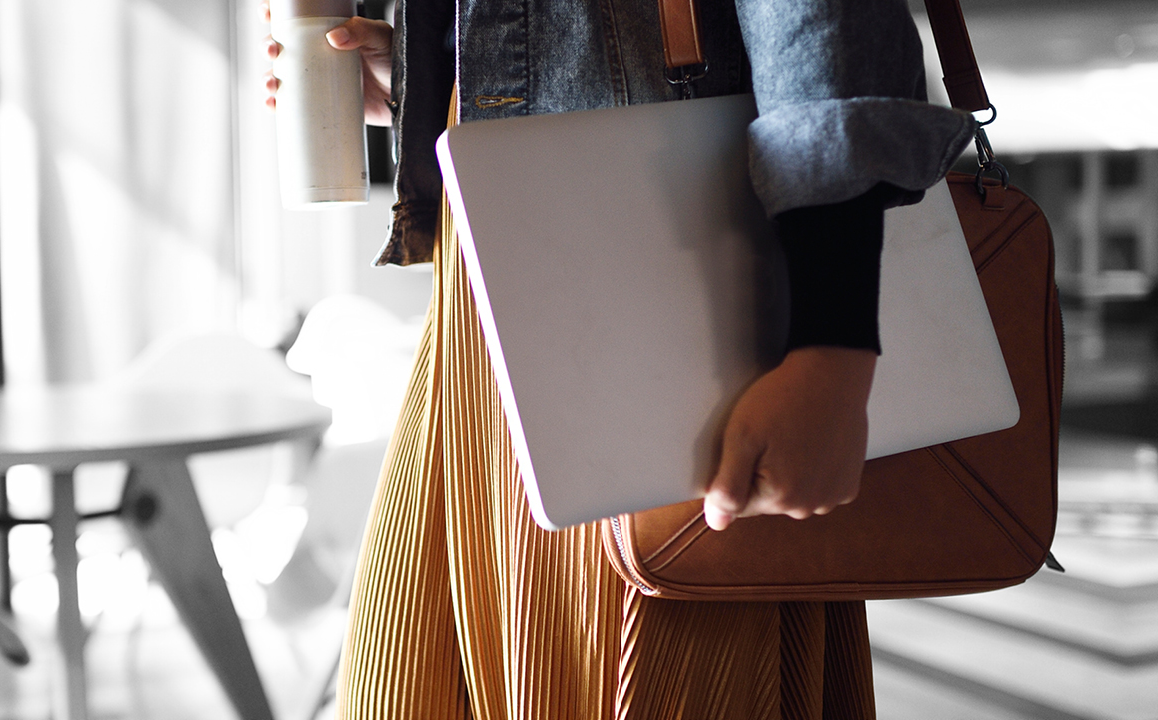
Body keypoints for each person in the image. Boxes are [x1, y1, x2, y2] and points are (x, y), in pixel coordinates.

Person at [264, 1, 976, 717]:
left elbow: (821, 22)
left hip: (660, 278)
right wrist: (430, 75)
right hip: (496, 276)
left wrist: (832, 342)